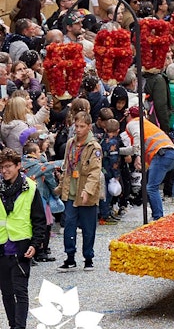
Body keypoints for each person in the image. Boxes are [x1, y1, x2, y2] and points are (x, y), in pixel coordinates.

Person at [0, 148, 45, 329]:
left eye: (8, 166)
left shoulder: (30, 187)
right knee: (7, 293)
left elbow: (39, 219)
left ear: (18, 166)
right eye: (2, 167)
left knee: (21, 291)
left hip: (22, 247)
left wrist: (36, 243)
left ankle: (20, 327)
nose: (4, 170)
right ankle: (13, 325)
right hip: (2, 248)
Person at [55, 111, 102, 272]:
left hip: (86, 193)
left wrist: (88, 190)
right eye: (76, 126)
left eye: (82, 126)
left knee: (88, 228)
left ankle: (88, 257)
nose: (78, 130)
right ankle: (70, 257)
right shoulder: (70, 144)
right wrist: (60, 187)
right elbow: (67, 167)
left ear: (89, 127)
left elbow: (95, 172)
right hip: (71, 191)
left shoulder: (94, 147)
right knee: (69, 224)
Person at [124, 107, 174, 221]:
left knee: (152, 187)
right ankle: (152, 212)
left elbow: (137, 137)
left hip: (161, 154)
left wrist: (137, 156)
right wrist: (119, 151)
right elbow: (135, 147)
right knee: (148, 183)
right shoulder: (146, 123)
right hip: (169, 153)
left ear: (129, 116)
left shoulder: (133, 123)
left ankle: (158, 218)